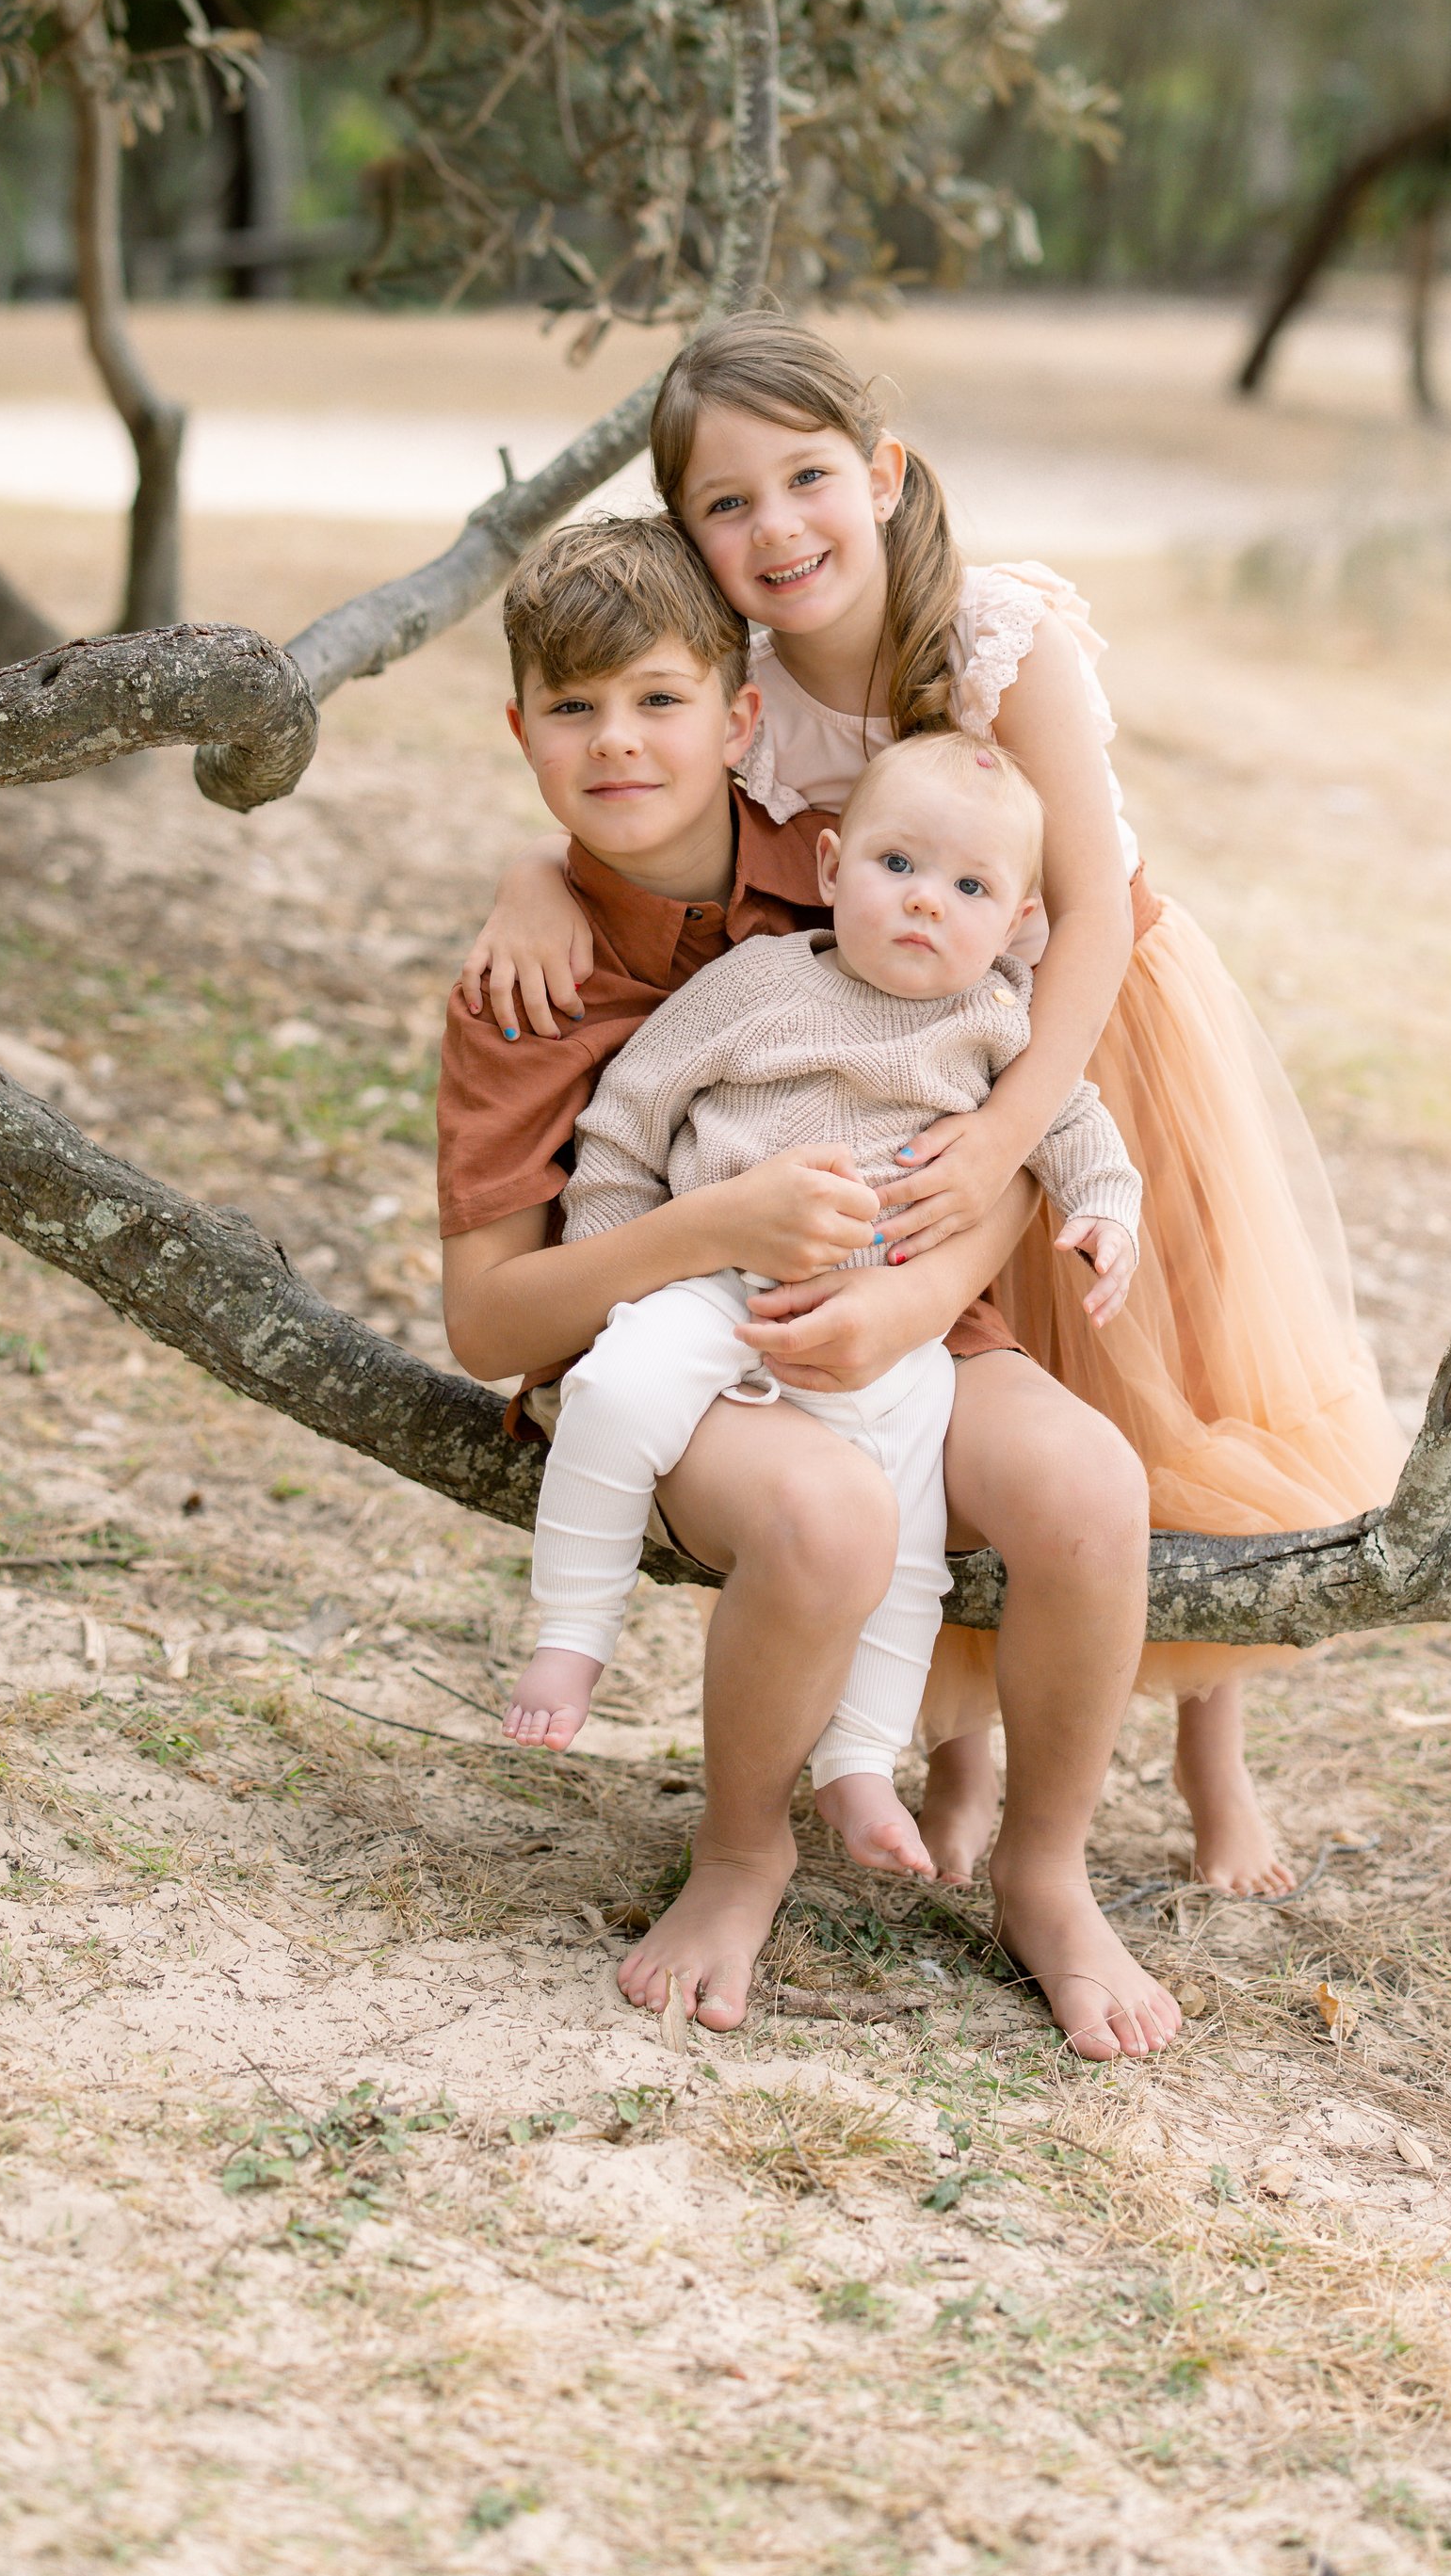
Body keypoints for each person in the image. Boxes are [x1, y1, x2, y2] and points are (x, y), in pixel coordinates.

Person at [460, 313, 1406, 1900]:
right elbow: (651, 809)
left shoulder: (992, 634)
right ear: (693, 539)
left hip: (1086, 1028)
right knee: (966, 1376)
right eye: (728, 505)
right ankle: (962, 1764)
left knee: (1159, 1384)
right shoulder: (742, 691)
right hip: (905, 1047)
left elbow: (1093, 910)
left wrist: (1016, 1126)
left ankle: (1211, 1762)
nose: (778, 529)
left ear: (881, 474)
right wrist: (531, 869)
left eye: (809, 478)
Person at [437, 513, 1180, 2056]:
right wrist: (719, 1228)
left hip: (912, 1317)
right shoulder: (526, 983)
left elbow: (998, 1105)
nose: (620, 743)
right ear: (521, 732)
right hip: (683, 1351)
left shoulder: (850, 862)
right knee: (829, 1514)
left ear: (742, 719)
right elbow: (491, 1322)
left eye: (658, 700)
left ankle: (1045, 1868)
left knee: (1093, 1487)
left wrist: (920, 1297)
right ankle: (742, 1848)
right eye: (572, 710)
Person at [508, 729, 1142, 1891]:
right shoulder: (758, 984)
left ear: (1011, 926)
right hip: (709, 1286)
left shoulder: (999, 1022)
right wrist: (618, 1269)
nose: (922, 905)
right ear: (836, 862)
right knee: (616, 1390)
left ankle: (857, 1759)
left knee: (902, 1544)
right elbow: (628, 1117)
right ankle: (570, 1634)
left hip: (896, 1335)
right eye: (897, 865)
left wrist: (1106, 1207)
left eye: (968, 888)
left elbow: (1074, 1124)